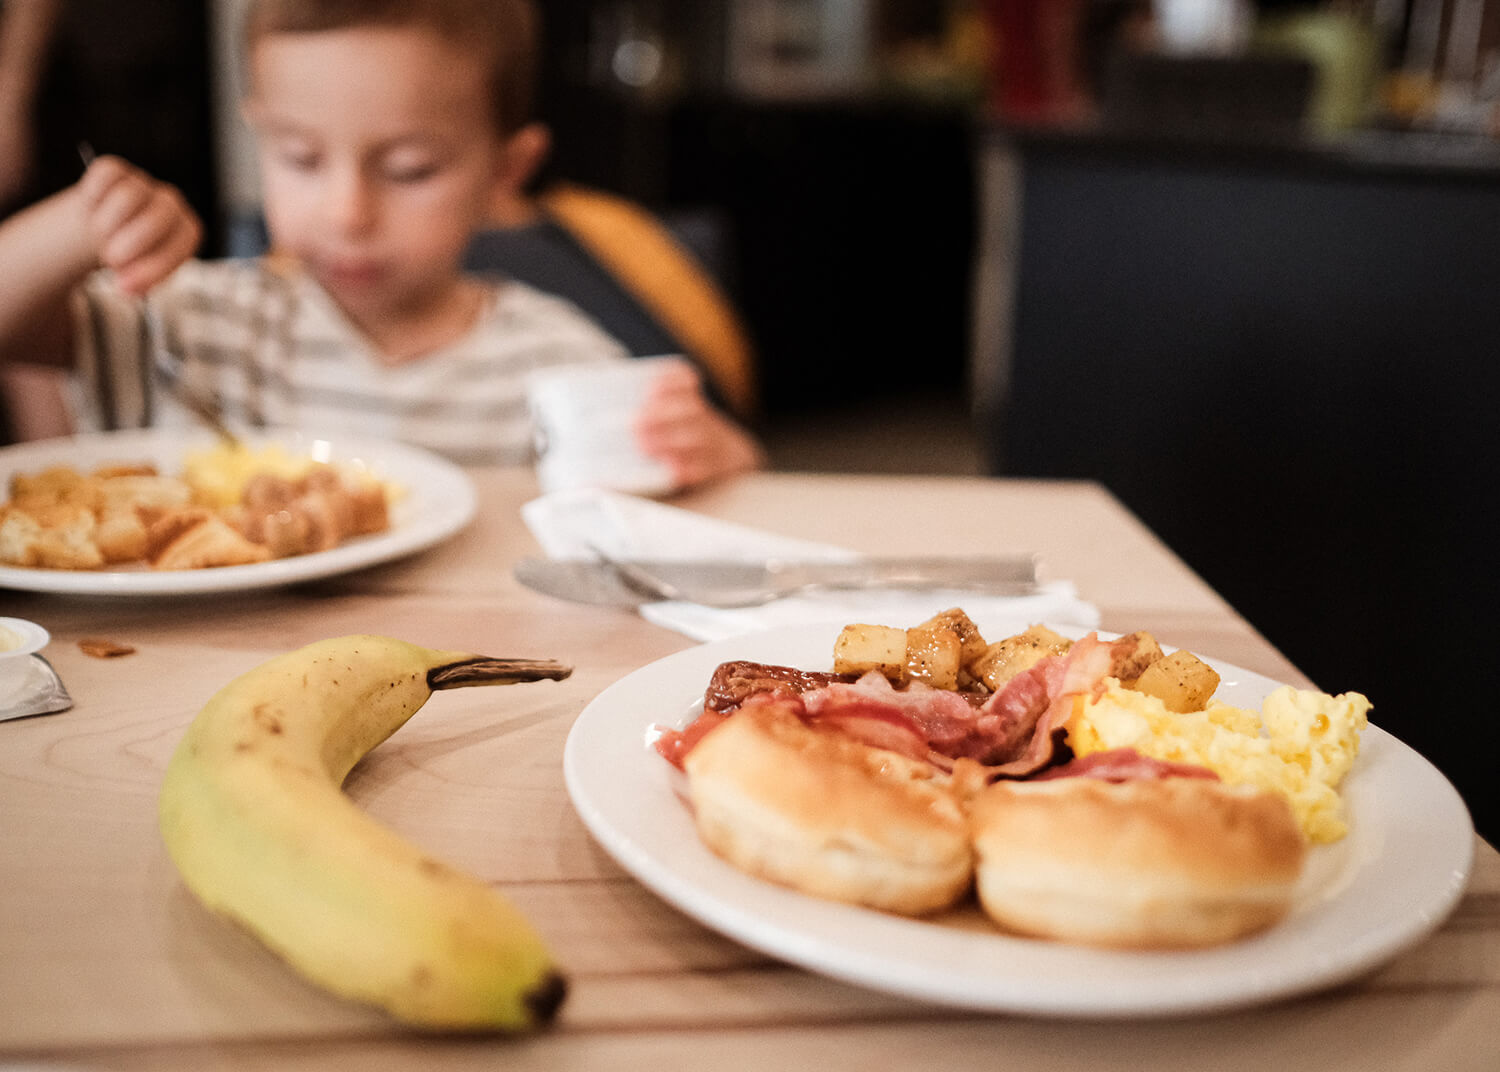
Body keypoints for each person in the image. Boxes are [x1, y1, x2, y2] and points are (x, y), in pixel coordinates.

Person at [0, 0, 762, 487]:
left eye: (409, 169)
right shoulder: (201, 323)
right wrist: (81, 225)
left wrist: (719, 460)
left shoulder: (550, 358)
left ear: (506, 171)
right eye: (300, 157)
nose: (347, 210)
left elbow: (708, 495)